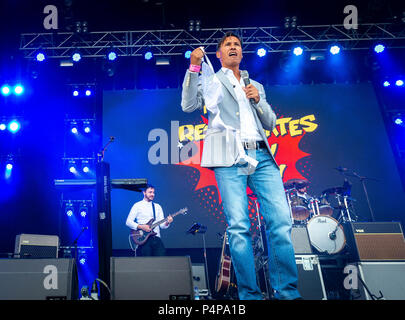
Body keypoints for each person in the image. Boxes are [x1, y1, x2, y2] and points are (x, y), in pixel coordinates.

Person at [181, 32, 301, 300]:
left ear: (242, 53)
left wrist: (258, 99)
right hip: (229, 158)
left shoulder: (254, 83)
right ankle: (250, 296)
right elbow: (188, 104)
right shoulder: (211, 81)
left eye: (237, 44)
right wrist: (193, 67)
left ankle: (287, 293)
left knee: (280, 222)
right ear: (219, 55)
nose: (233, 47)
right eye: (228, 45)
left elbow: (270, 122)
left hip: (262, 156)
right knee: (238, 227)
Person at [126, 184, 173, 256]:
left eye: (153, 192)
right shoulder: (137, 205)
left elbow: (162, 226)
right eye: (150, 192)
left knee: (161, 262)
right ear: (144, 192)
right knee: (146, 264)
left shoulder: (157, 206)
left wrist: (167, 222)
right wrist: (142, 227)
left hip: (156, 238)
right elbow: (128, 222)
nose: (152, 194)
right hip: (144, 239)